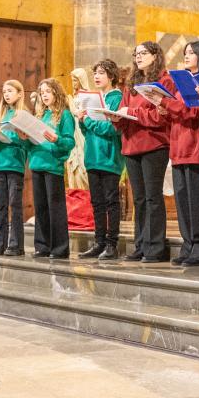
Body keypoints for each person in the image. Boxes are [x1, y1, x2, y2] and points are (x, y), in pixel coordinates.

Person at [160, 41, 199, 267]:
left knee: (197, 201)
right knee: (182, 201)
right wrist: (163, 107)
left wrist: (169, 104)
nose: (187, 56)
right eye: (185, 52)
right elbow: (177, 112)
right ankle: (188, 245)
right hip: (178, 147)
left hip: (197, 147)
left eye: (192, 53)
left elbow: (197, 111)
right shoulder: (180, 81)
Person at [117, 42, 171, 263]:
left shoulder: (164, 80)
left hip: (154, 145)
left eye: (143, 53)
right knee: (139, 199)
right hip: (131, 146)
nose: (138, 57)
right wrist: (116, 117)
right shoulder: (132, 83)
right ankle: (140, 244)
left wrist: (131, 112)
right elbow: (123, 111)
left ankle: (155, 247)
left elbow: (161, 116)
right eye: (136, 54)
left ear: (155, 55)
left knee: (153, 197)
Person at [78, 59, 125, 260]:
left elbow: (111, 128)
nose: (96, 77)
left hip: (109, 155)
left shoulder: (117, 98)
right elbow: (85, 130)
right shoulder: (92, 98)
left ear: (111, 76)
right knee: (96, 202)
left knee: (111, 201)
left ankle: (112, 244)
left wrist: (87, 121)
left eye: (101, 73)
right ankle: (98, 242)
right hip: (92, 155)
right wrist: (81, 120)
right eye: (95, 73)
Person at [26, 78, 75, 259]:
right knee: (41, 208)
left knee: (56, 208)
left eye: (48, 91)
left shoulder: (64, 115)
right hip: (37, 163)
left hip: (53, 165)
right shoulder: (40, 115)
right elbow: (33, 142)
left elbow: (70, 142)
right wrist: (25, 137)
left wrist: (57, 140)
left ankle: (60, 248)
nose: (44, 95)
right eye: (42, 92)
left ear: (56, 93)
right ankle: (42, 246)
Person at [0, 80, 30, 257]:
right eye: (4, 92)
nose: (7, 94)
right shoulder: (0, 116)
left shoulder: (23, 115)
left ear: (19, 93)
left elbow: (27, 142)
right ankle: (0, 244)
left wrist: (13, 136)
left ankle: (16, 244)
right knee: (1, 206)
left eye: (10, 91)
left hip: (15, 164)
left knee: (14, 204)